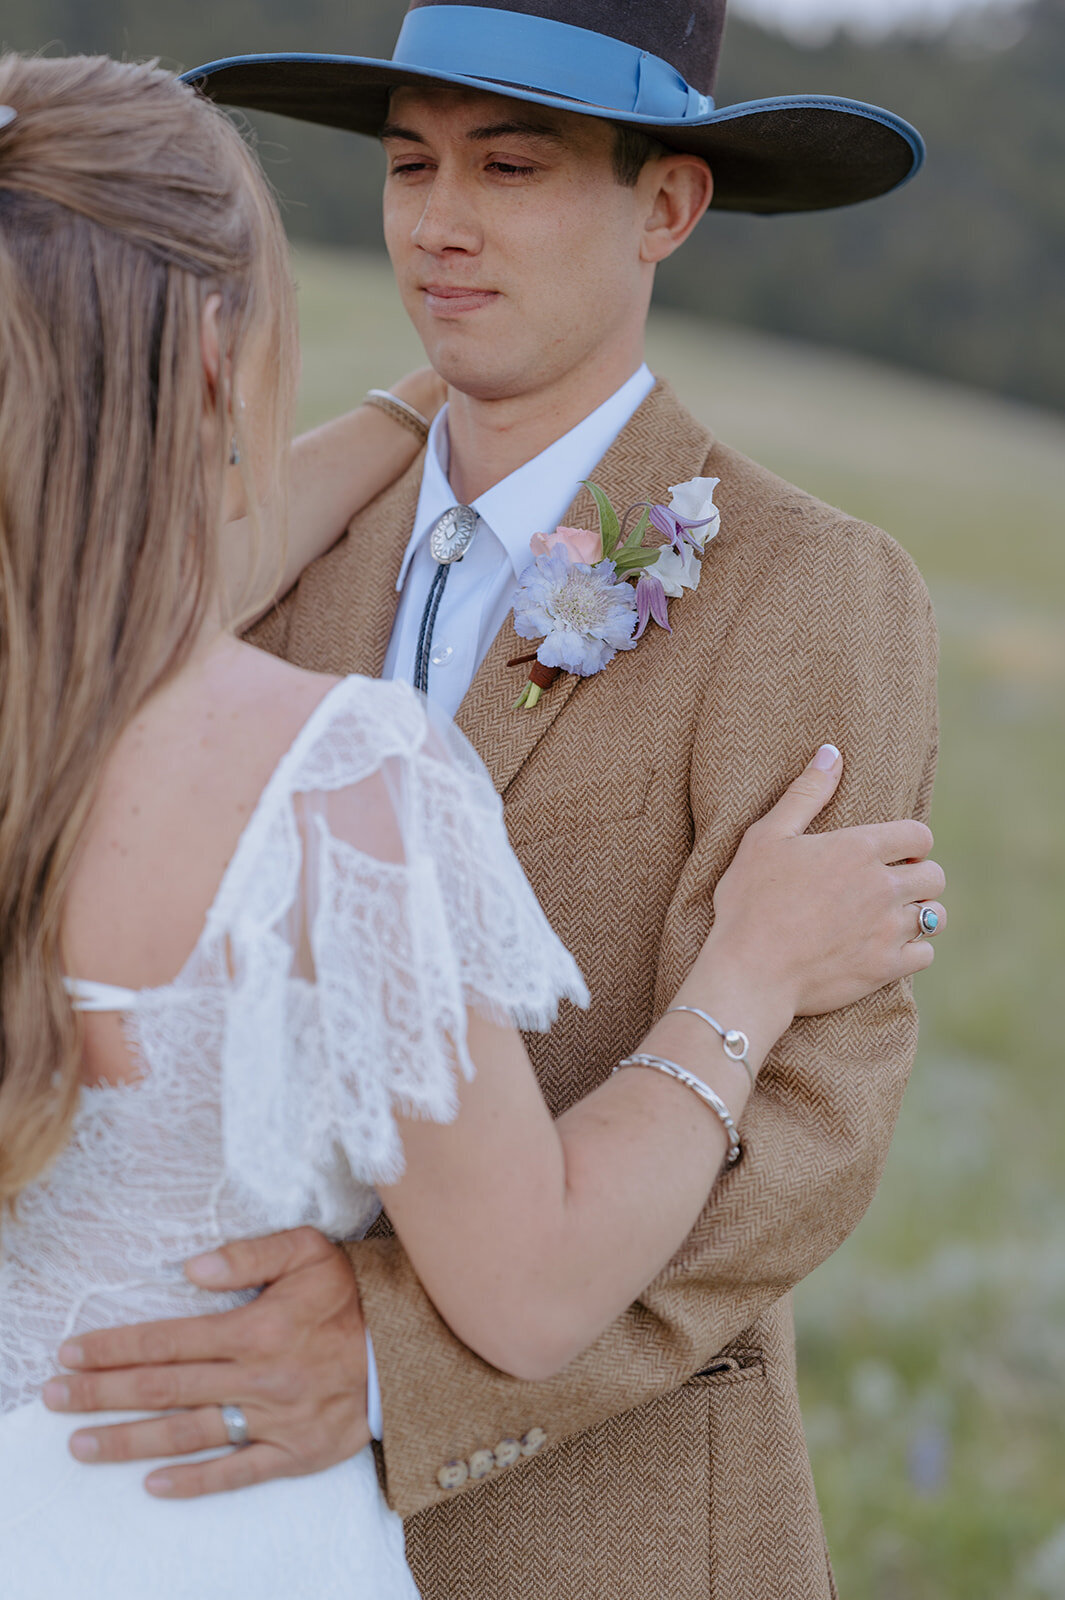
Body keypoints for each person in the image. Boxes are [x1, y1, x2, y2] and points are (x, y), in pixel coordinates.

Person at [20, 4, 942, 1596]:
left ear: (664, 206)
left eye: (509, 167)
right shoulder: (229, 562)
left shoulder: (813, 594)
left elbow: (811, 1119)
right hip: (175, 1495)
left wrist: (387, 1364)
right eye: (407, 163)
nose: (438, 223)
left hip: (594, 1528)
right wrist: (391, 414)